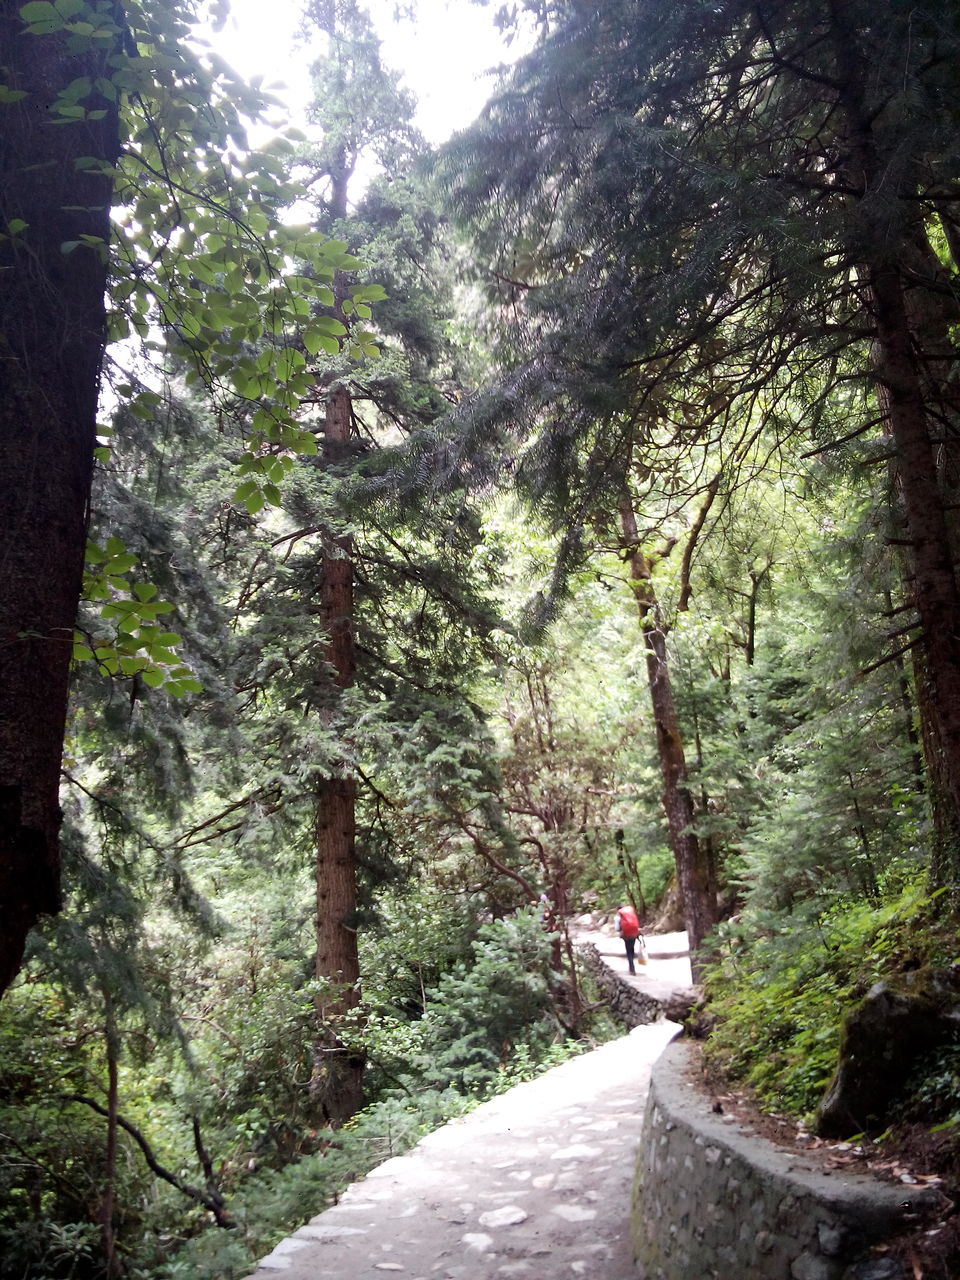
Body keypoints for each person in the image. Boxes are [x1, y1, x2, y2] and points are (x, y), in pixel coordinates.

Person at [615, 904, 642, 974]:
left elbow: (617, 928)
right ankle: (632, 965)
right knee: (632, 948)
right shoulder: (630, 911)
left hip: (626, 934)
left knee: (628, 951)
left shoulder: (619, 914)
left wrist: (620, 931)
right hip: (634, 932)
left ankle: (632, 968)